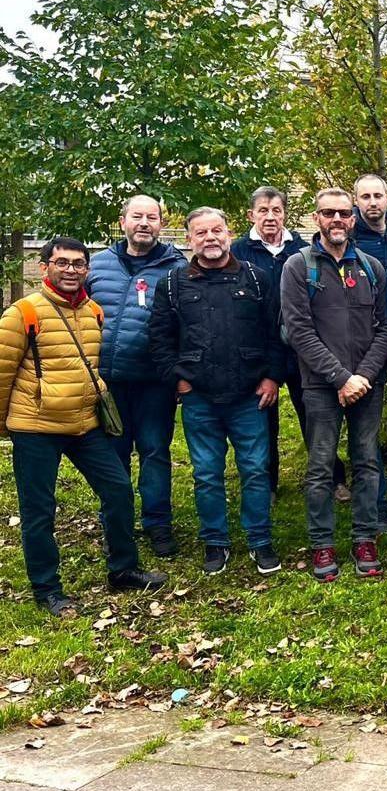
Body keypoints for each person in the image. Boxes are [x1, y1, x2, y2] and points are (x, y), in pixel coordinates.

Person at [2, 238, 168, 617]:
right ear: (44, 268)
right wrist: (6, 426)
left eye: (78, 264)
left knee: (119, 489)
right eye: (62, 263)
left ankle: (123, 569)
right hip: (36, 426)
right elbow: (2, 373)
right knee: (39, 511)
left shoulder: (93, 312)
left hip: (83, 424)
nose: (71, 270)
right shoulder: (22, 313)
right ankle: (47, 590)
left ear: (87, 270)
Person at [152, 207, 288, 576]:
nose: (210, 238)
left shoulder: (257, 279)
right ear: (189, 239)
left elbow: (277, 334)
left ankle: (261, 542)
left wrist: (272, 377)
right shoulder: (172, 284)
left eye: (217, 231)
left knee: (256, 471)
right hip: (200, 398)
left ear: (229, 234)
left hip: (249, 395)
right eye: (201, 233)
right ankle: (216, 543)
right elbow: (160, 340)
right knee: (207, 474)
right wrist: (177, 380)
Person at [280, 188, 387, 582]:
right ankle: (322, 544)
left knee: (366, 462)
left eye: (344, 214)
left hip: (367, 383)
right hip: (320, 386)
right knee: (321, 466)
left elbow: (384, 328)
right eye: (329, 213)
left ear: (353, 219)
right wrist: (341, 378)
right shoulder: (298, 267)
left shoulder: (371, 268)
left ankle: (365, 538)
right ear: (316, 219)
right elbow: (299, 331)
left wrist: (363, 376)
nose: (337, 220)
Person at [86, 195, 186, 557]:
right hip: (108, 382)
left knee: (155, 451)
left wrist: (178, 373)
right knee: (113, 454)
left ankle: (158, 524)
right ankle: (116, 521)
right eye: (137, 216)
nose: (144, 223)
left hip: (154, 381)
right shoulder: (97, 266)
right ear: (123, 220)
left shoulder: (177, 268)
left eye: (152, 217)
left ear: (161, 224)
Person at [231, 186, 323, 499]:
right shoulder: (238, 251)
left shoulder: (302, 250)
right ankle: (267, 484)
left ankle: (329, 477)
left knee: (312, 413)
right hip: (257, 347)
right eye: (263, 211)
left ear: (285, 213)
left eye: (276, 210)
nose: (270, 217)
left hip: (300, 346)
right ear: (251, 215)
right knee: (263, 418)